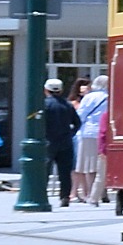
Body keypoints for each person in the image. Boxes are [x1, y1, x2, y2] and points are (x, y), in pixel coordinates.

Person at [39, 77, 81, 206]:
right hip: (65, 142)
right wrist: (70, 133)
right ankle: (65, 197)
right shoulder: (68, 105)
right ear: (61, 90)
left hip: (48, 142)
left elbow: (39, 123)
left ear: (46, 90)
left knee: (44, 170)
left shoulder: (44, 105)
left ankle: (41, 194)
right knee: (65, 172)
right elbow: (78, 123)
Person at [73, 72, 110, 206]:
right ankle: (102, 193)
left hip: (88, 132)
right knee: (102, 165)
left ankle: (90, 194)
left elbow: (80, 115)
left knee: (89, 166)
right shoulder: (110, 97)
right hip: (105, 133)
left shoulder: (89, 97)